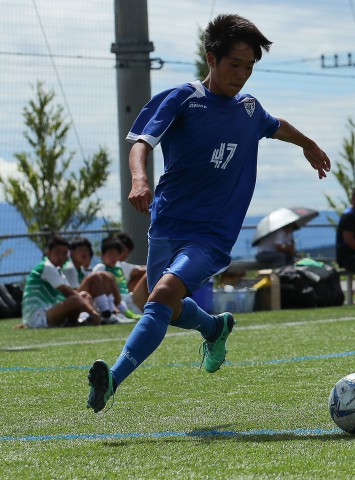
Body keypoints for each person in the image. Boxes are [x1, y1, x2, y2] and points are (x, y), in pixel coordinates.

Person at [86, 13, 331, 413]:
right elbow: (141, 144)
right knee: (164, 305)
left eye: (250, 67)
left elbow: (275, 125)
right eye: (235, 64)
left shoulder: (249, 110)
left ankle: (111, 380)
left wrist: (307, 143)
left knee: (161, 295)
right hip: (166, 225)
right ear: (211, 58)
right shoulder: (183, 98)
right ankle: (214, 328)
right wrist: (139, 180)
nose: (242, 74)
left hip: (212, 236)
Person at [21, 235, 101, 328]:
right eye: (57, 252)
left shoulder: (57, 269)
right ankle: (92, 317)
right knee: (75, 299)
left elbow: (71, 292)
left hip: (49, 310)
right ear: (49, 253)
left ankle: (86, 319)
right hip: (37, 317)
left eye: (64, 253)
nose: (61, 257)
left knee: (83, 295)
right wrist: (92, 311)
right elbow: (68, 292)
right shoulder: (47, 266)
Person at [63, 236, 125, 323]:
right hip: (69, 305)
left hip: (80, 301)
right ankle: (108, 314)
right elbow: (73, 295)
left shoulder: (80, 270)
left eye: (87, 250)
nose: (85, 253)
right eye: (81, 249)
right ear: (72, 252)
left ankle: (113, 312)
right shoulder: (69, 268)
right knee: (96, 276)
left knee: (106, 276)